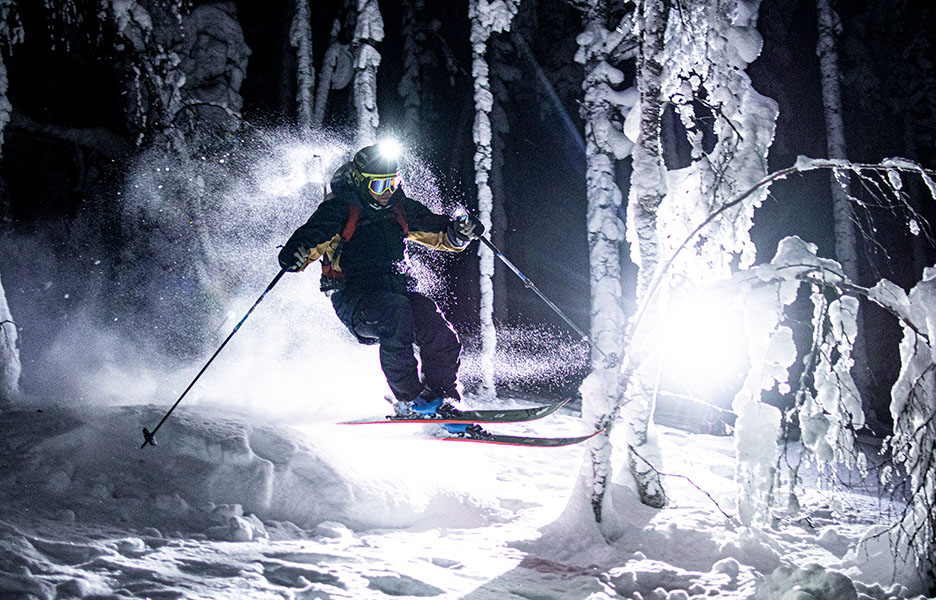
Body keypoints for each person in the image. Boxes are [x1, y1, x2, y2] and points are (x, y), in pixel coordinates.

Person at [278, 142, 483, 432]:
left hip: (393, 294)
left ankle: (443, 401)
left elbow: (441, 234)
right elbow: (308, 241)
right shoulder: (339, 210)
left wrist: (459, 232)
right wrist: (294, 255)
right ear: (362, 182)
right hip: (356, 302)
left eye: (393, 182)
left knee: (432, 321)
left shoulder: (400, 209)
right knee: (395, 311)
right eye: (379, 185)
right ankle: (411, 399)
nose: (387, 191)